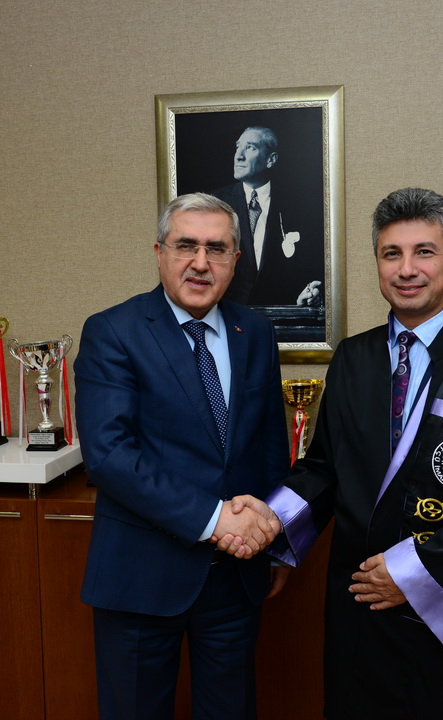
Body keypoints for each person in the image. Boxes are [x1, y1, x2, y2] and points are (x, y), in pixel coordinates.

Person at [222, 187, 443, 719]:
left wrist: (413, 574)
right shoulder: (354, 357)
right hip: (361, 604)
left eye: (425, 252)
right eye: (391, 253)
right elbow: (325, 468)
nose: (407, 269)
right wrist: (270, 519)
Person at [74, 192, 290, 720]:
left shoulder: (255, 332)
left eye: (216, 249)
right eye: (185, 245)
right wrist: (216, 519)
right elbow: (109, 455)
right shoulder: (113, 331)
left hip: (236, 577)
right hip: (141, 577)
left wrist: (276, 539)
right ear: (159, 252)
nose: (200, 262)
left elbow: (269, 446)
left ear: (235, 260)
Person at [210, 126, 323, 307]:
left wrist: (304, 296)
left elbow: (306, 268)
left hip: (279, 315)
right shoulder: (215, 203)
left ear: (271, 159)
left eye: (250, 147)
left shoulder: (299, 206)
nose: (238, 156)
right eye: (238, 147)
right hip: (226, 315)